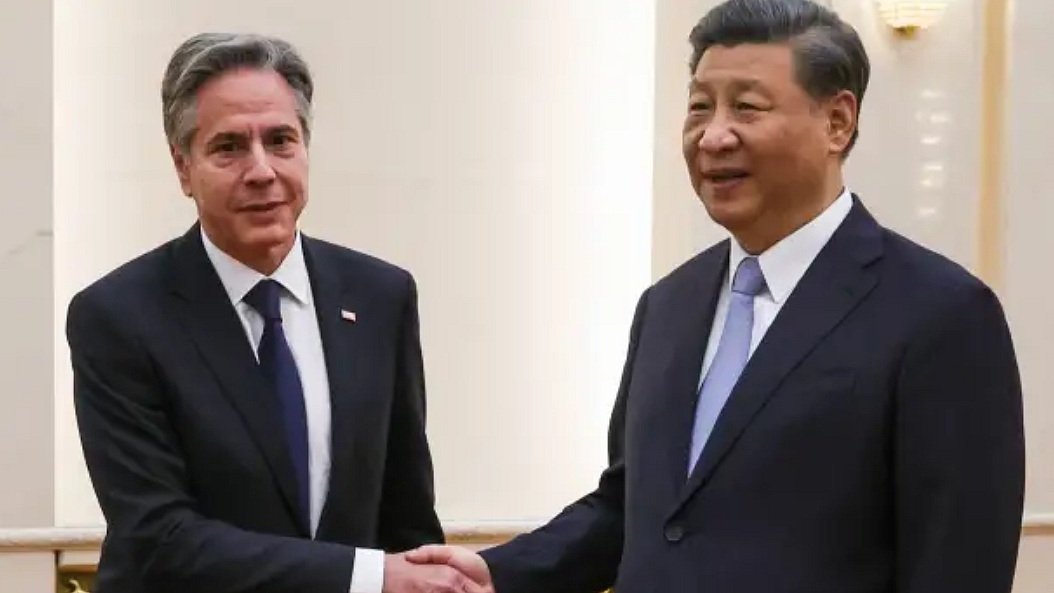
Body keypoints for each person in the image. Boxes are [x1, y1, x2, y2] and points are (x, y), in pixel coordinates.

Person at [406, 1, 1027, 592]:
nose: (712, 137)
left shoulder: (940, 315)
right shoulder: (667, 306)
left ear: (837, 122)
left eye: (747, 108)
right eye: (700, 107)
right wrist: (498, 574)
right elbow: (634, 509)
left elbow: (956, 565)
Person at [66, 33, 480, 593]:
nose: (261, 170)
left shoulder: (380, 296)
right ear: (183, 167)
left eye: (280, 140)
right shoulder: (118, 317)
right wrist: (369, 576)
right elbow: (157, 537)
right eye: (229, 147)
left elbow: (406, 516)